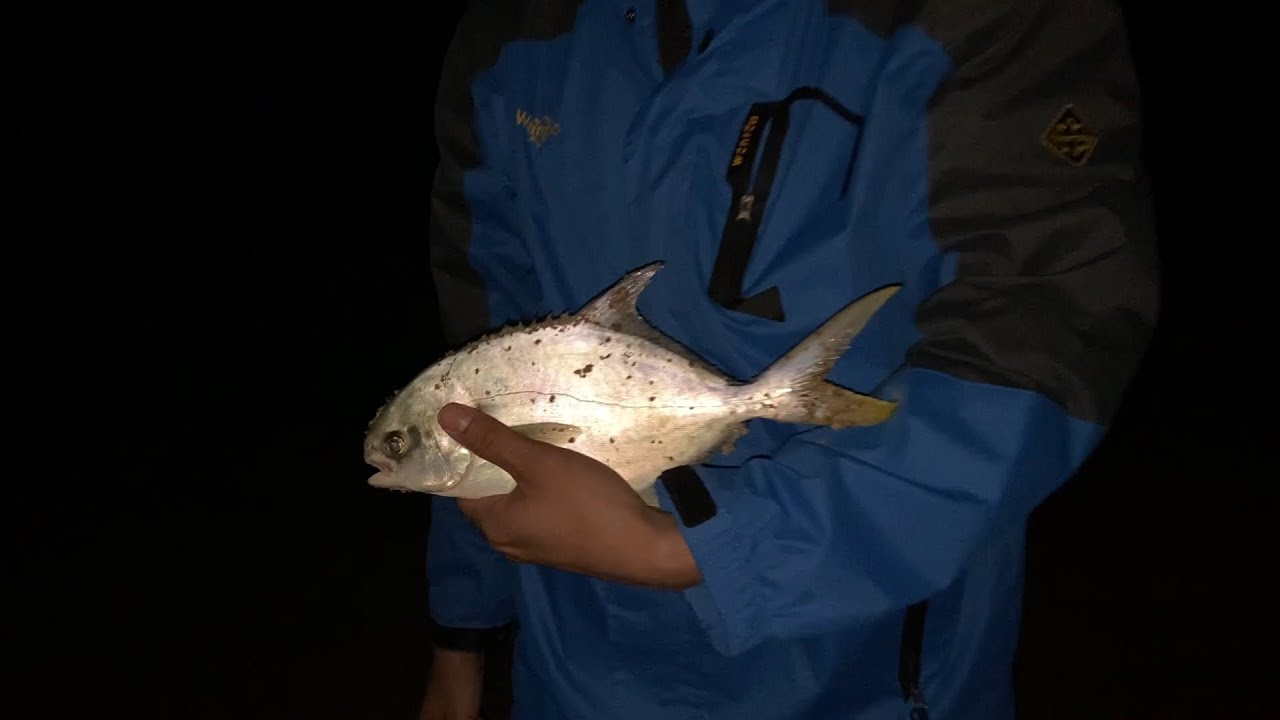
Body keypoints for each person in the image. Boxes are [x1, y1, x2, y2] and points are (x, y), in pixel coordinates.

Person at [419, 1, 1157, 718]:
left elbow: (1047, 325)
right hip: (574, 676)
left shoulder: (984, 17)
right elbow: (476, 390)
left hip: (865, 679)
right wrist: (462, 629)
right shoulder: (506, 31)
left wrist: (722, 553)